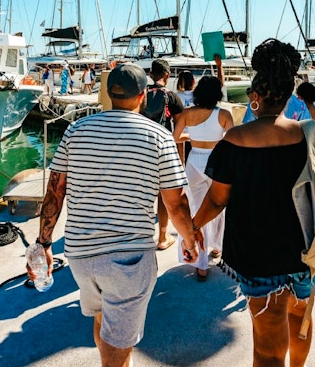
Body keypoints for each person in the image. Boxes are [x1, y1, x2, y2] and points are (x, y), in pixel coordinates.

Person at [190, 38, 315, 367]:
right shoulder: (313, 133)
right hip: (308, 252)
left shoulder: (234, 142)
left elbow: (217, 200)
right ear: (288, 97)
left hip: (257, 257)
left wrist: (192, 228)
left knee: (267, 348)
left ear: (255, 98)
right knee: (300, 320)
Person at [28, 63, 199, 367]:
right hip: (128, 261)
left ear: (108, 92)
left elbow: (55, 192)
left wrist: (44, 244)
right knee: (117, 348)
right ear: (143, 95)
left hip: (81, 257)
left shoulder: (75, 130)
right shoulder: (158, 136)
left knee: (103, 321)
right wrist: (189, 240)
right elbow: (176, 204)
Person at [173, 76, 234, 281]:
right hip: (217, 162)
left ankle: (201, 264)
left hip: (194, 161)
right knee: (218, 206)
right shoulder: (224, 114)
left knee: (196, 209)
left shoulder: (188, 113)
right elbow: (233, 140)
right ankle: (217, 248)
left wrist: (193, 137)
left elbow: (175, 138)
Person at [142, 58, 184, 251]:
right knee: (162, 194)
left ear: (151, 75)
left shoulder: (141, 95)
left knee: (142, 193)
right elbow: (179, 127)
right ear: (167, 76)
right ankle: (162, 237)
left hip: (141, 148)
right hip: (163, 149)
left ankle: (140, 236)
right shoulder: (172, 97)